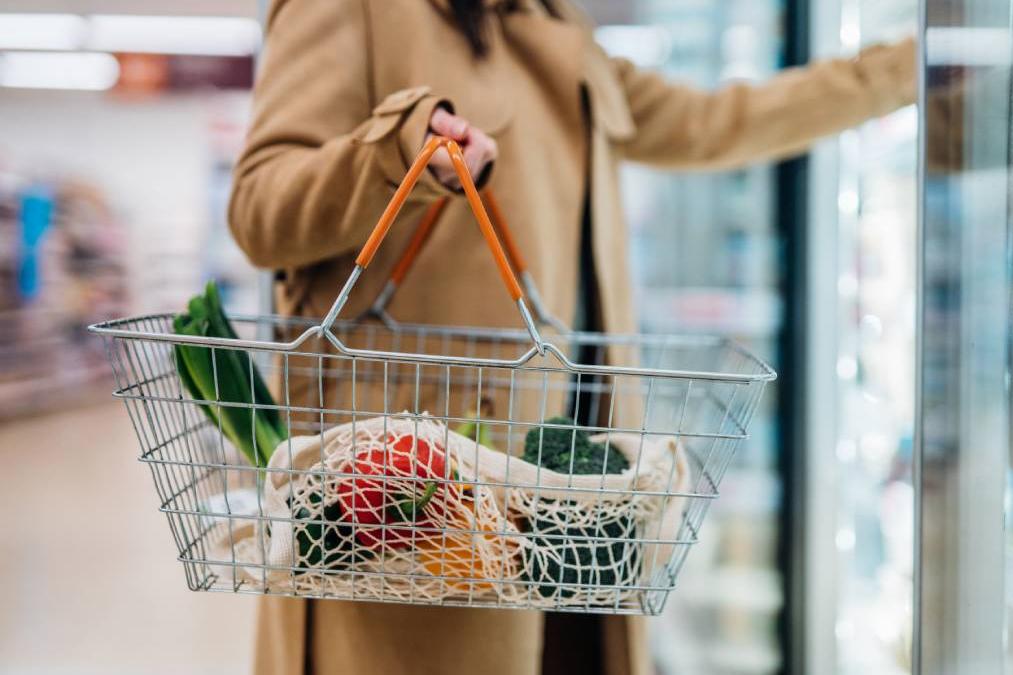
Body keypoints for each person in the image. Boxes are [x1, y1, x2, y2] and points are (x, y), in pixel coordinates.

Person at [228, 1, 915, 673]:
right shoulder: (350, 10)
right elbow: (260, 210)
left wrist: (908, 66)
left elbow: (713, 123)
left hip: (572, 497)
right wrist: (400, 149)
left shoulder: (556, 22)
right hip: (414, 509)